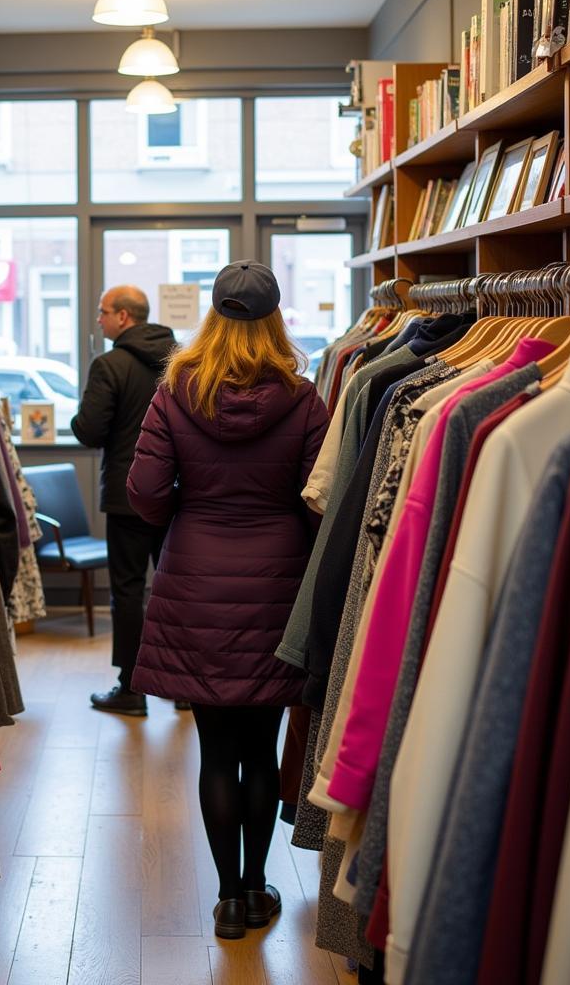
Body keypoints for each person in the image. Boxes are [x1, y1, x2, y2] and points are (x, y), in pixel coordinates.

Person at [126, 261, 329, 940]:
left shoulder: (174, 392)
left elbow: (146, 493)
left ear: (212, 314)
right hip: (278, 585)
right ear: (276, 319)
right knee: (262, 751)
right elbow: (320, 502)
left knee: (215, 749)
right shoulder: (304, 399)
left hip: (194, 579)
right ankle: (255, 885)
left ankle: (226, 900)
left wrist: (195, 508)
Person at [70, 285, 179, 717]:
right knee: (174, 588)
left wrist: (81, 418)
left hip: (127, 495)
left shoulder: (109, 365)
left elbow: (90, 430)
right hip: (176, 491)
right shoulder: (181, 362)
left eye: (102, 312)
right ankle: (183, 686)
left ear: (123, 318)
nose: (98, 320)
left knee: (128, 590)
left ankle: (131, 689)